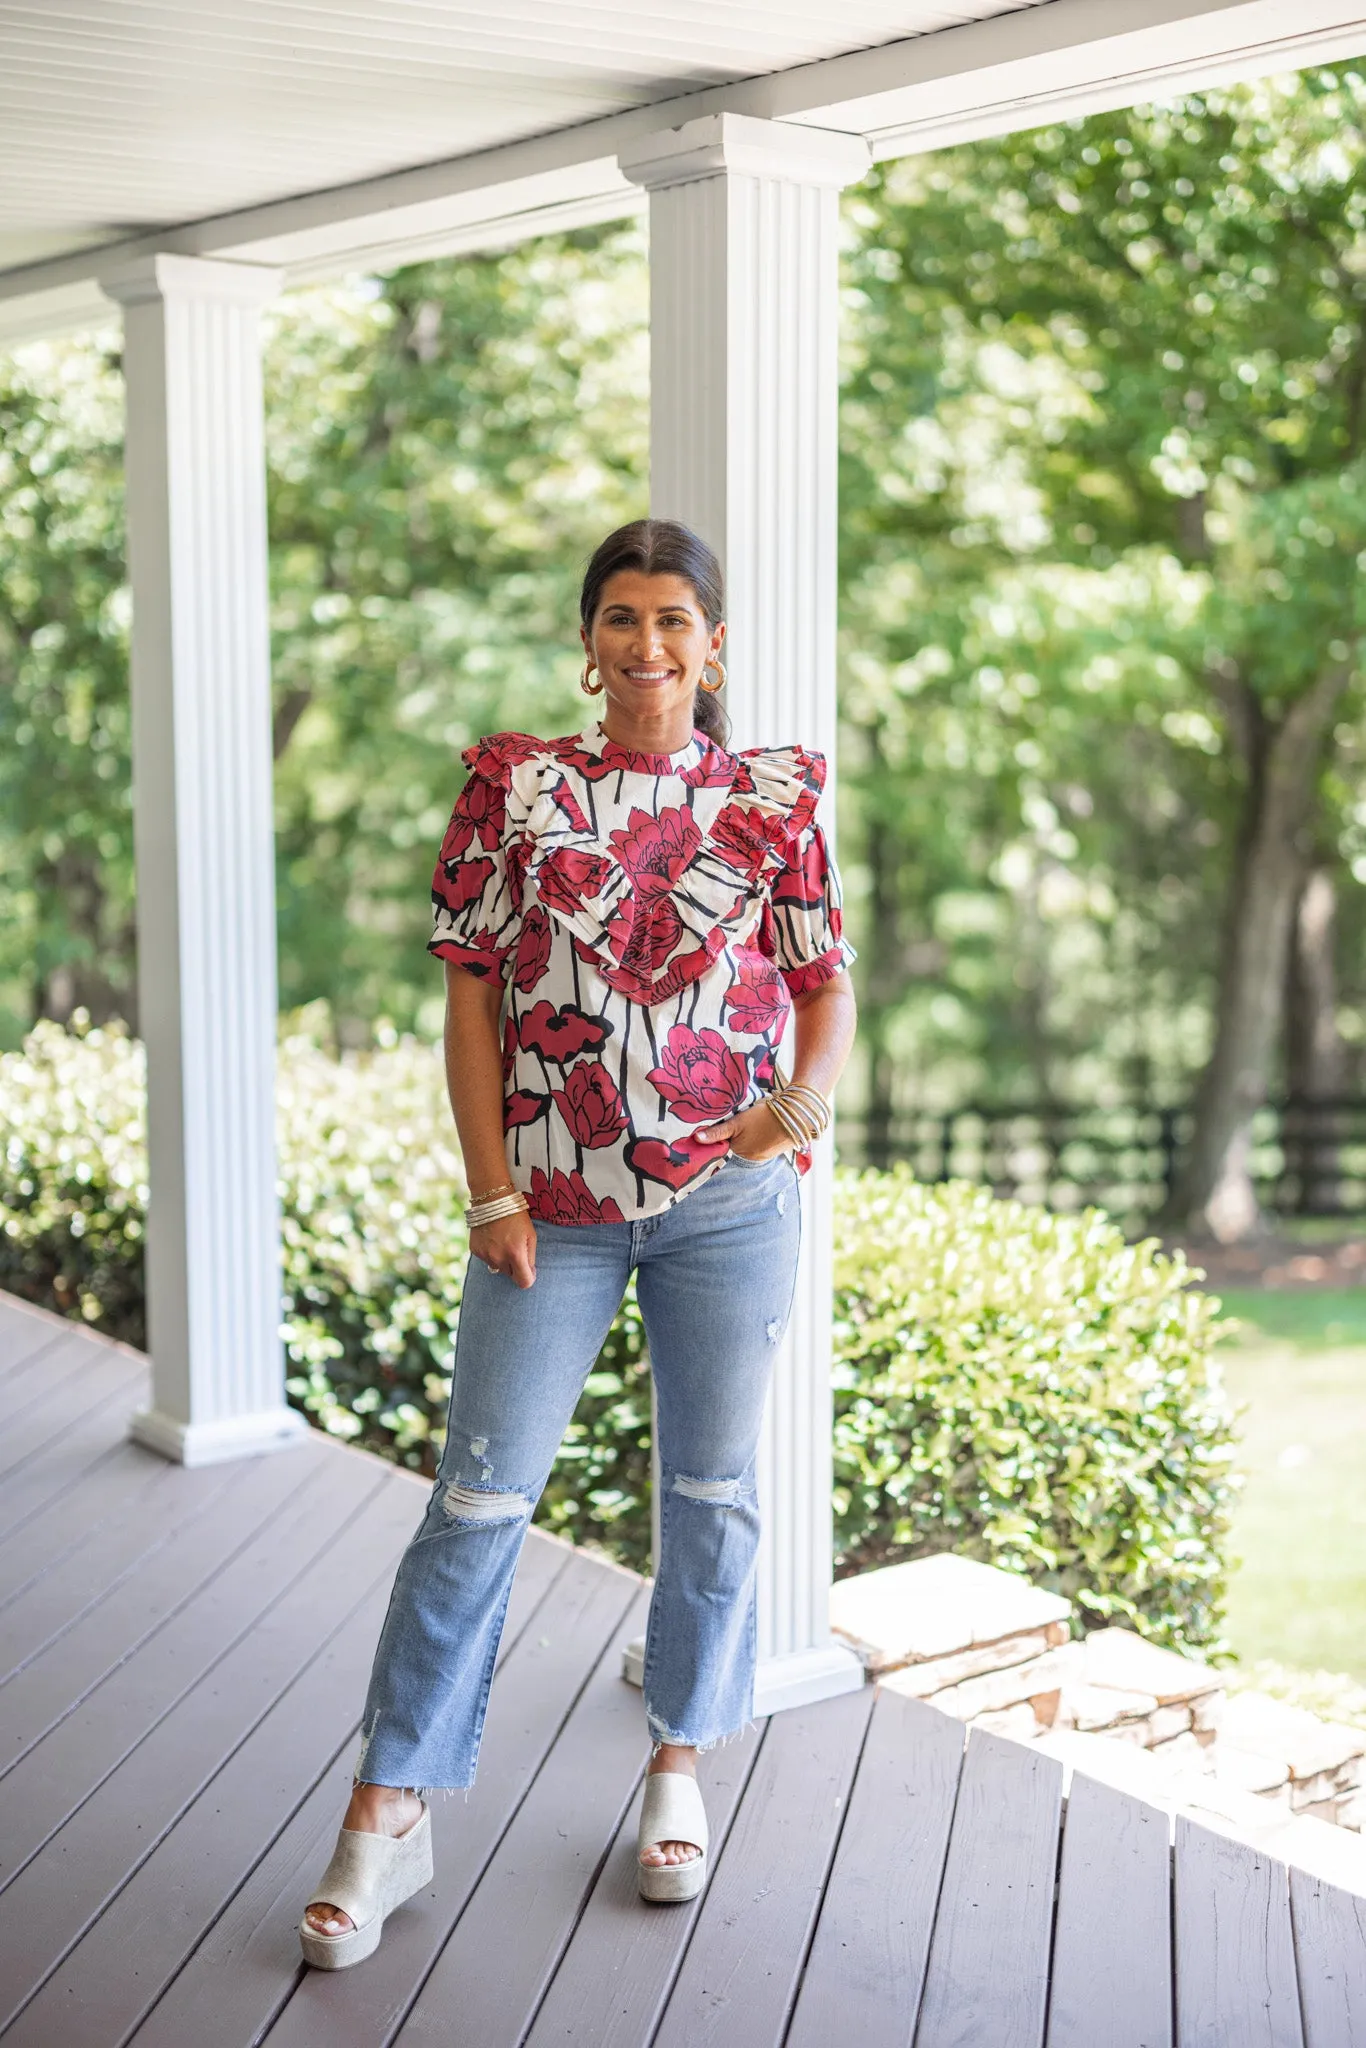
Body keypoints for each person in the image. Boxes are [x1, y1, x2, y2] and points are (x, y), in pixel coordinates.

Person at [299, 518, 857, 1969]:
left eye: (675, 620)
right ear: (588, 635)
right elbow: (474, 996)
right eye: (622, 617)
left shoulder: (776, 797)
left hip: (729, 1211)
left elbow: (823, 985)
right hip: (547, 1212)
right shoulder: (516, 788)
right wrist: (490, 1192)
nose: (648, 646)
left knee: (714, 1491)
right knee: (479, 1500)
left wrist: (790, 1107)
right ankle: (386, 1813)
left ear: (711, 643)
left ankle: (678, 1761)